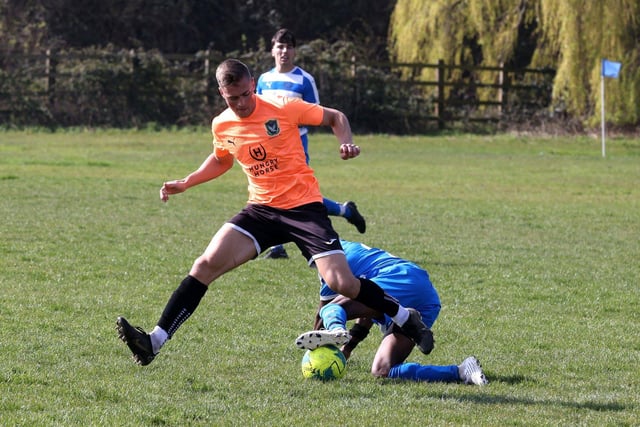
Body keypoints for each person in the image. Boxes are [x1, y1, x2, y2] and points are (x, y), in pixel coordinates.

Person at [116, 58, 433, 366]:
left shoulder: (283, 106)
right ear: (221, 94)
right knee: (204, 264)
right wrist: (185, 183)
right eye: (232, 98)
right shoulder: (222, 123)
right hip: (261, 211)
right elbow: (222, 158)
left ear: (253, 85)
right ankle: (153, 342)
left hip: (304, 208)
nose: (241, 103)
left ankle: (406, 317)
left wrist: (346, 143)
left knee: (342, 283)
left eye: (245, 94)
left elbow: (336, 117)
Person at [295, 239, 488, 385]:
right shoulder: (344, 249)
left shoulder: (332, 260)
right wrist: (347, 349)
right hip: (424, 299)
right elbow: (367, 310)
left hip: (401, 278)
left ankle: (336, 330)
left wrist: (315, 350)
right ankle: (462, 371)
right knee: (382, 370)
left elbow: (322, 315)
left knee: (332, 309)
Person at [256, 28, 365, 259]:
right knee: (272, 192)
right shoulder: (264, 80)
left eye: (289, 47)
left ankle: (339, 218)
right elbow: (257, 114)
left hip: (296, 145)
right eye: (280, 46)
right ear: (272, 49)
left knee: (300, 196)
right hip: (269, 146)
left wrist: (289, 123)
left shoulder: (305, 80)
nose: (284, 51)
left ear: (295, 51)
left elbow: (315, 113)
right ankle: (279, 246)